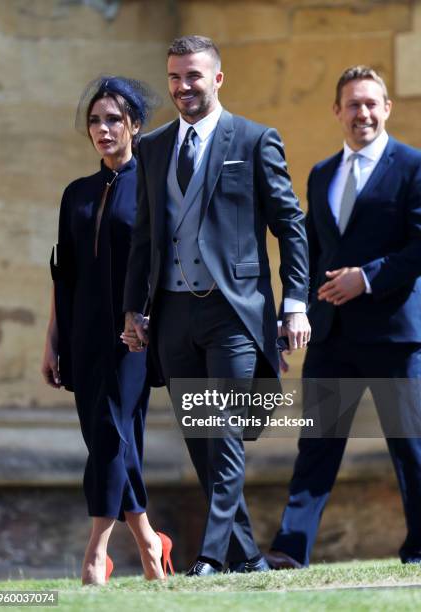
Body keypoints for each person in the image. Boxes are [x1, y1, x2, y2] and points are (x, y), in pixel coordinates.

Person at [122, 35, 310, 576]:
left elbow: (290, 228)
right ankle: (247, 556)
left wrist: (294, 304)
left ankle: (210, 556)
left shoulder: (253, 140)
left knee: (224, 429)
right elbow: (145, 237)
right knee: (201, 439)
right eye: (175, 78)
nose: (183, 87)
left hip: (234, 312)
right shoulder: (153, 147)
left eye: (194, 77)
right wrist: (134, 310)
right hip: (173, 315)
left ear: (217, 79)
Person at [268, 66, 421, 570]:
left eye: (372, 103)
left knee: (412, 448)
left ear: (387, 108)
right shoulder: (321, 174)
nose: (364, 113)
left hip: (394, 334)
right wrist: (295, 312)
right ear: (337, 111)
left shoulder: (413, 166)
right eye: (353, 104)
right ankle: (291, 551)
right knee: (317, 448)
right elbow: (312, 255)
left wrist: (368, 277)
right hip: (332, 336)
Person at [41, 75, 174, 584]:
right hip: (82, 336)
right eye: (96, 121)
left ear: (135, 126)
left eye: (114, 119)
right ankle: (148, 541)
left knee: (112, 434)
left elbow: (166, 264)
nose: (103, 129)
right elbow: (64, 274)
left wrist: (147, 318)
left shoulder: (154, 187)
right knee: (110, 441)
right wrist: (53, 340)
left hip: (133, 336)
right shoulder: (75, 193)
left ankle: (96, 552)